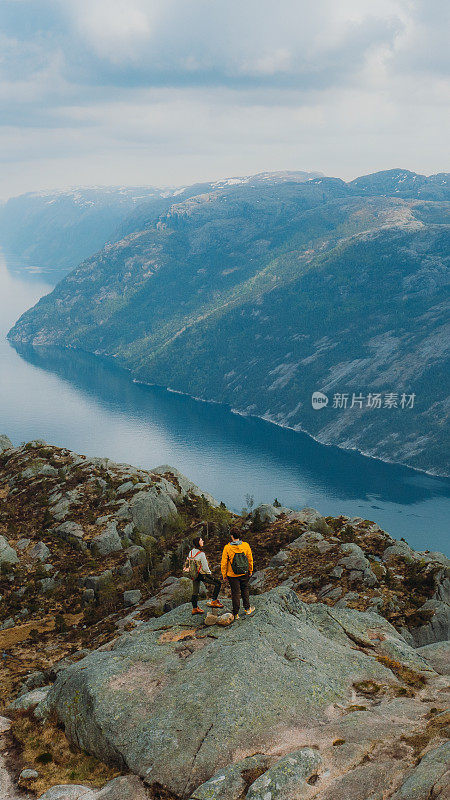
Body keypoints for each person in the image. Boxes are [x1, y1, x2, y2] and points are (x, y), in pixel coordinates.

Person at [221, 529, 255, 619]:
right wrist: (250, 570)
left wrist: (224, 575)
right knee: (245, 589)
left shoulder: (227, 548)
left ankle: (236, 614)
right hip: (244, 572)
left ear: (232, 536)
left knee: (235, 593)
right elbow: (250, 559)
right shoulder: (246, 545)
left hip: (232, 575)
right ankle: (247, 609)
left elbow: (224, 563)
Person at [187, 536, 223, 615]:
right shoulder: (201, 554)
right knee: (218, 583)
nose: (202, 541)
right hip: (202, 574)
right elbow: (205, 567)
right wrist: (209, 574)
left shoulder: (191, 552)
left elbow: (188, 562)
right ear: (198, 543)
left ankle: (195, 608)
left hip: (194, 574)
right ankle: (214, 601)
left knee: (195, 591)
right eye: (201, 540)